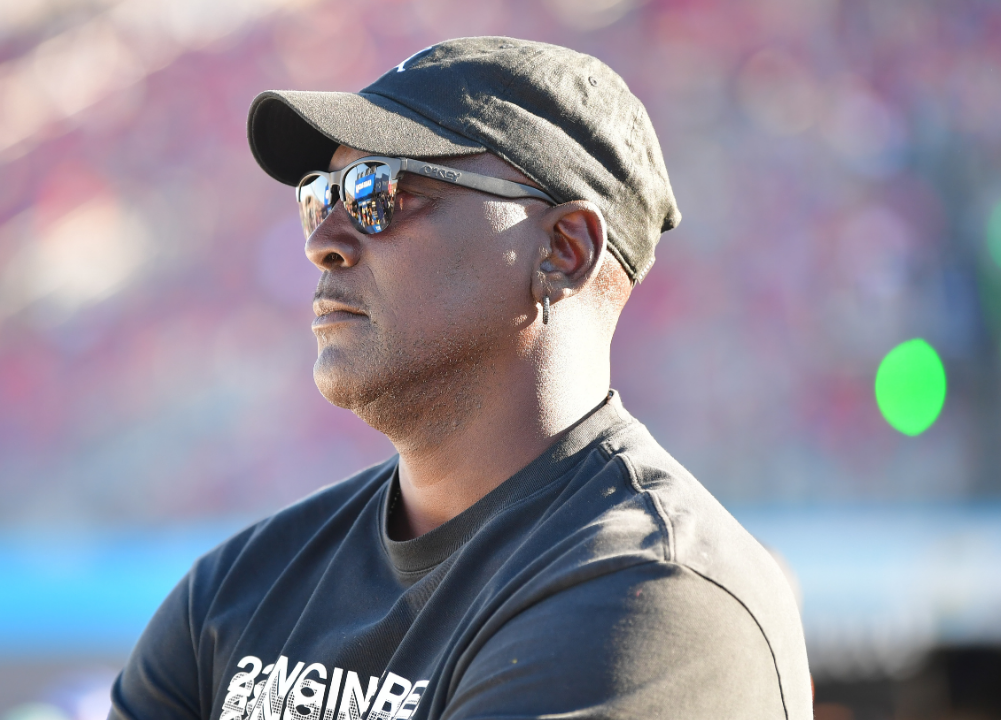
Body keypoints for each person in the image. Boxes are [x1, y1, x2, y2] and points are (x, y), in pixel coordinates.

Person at [110, 37, 812, 720]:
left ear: (564, 251)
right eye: (319, 196)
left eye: (379, 191)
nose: (325, 240)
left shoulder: (651, 590)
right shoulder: (237, 591)